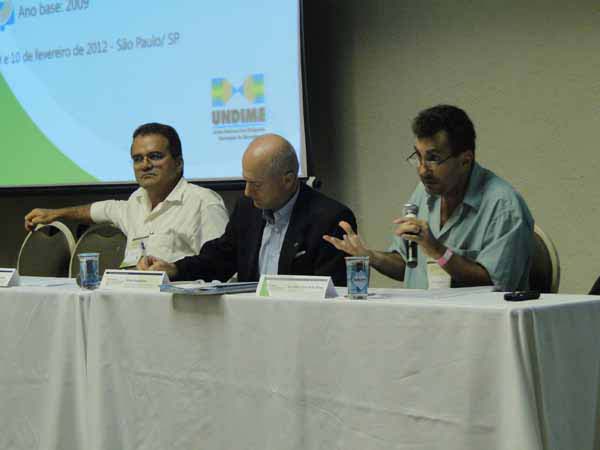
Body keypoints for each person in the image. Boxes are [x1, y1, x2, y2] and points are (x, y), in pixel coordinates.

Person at [324, 105, 534, 291]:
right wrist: (371, 256)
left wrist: (439, 251)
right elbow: (409, 267)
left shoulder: (504, 207)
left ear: (465, 161)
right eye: (418, 157)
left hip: (474, 321)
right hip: (420, 316)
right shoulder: (424, 192)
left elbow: (496, 285)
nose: (423, 170)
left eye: (433, 159)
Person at [140, 133, 357, 285]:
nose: (247, 192)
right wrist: (175, 269)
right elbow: (219, 259)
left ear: (288, 180)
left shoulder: (330, 219)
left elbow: (333, 292)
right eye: (245, 181)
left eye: (256, 184)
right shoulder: (248, 209)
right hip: (250, 322)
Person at [24, 123, 229, 265]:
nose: (145, 165)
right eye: (137, 159)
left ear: (178, 163)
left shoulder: (203, 203)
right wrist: (55, 214)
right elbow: (101, 210)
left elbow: (222, 267)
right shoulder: (135, 203)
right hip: (131, 302)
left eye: (155, 156)